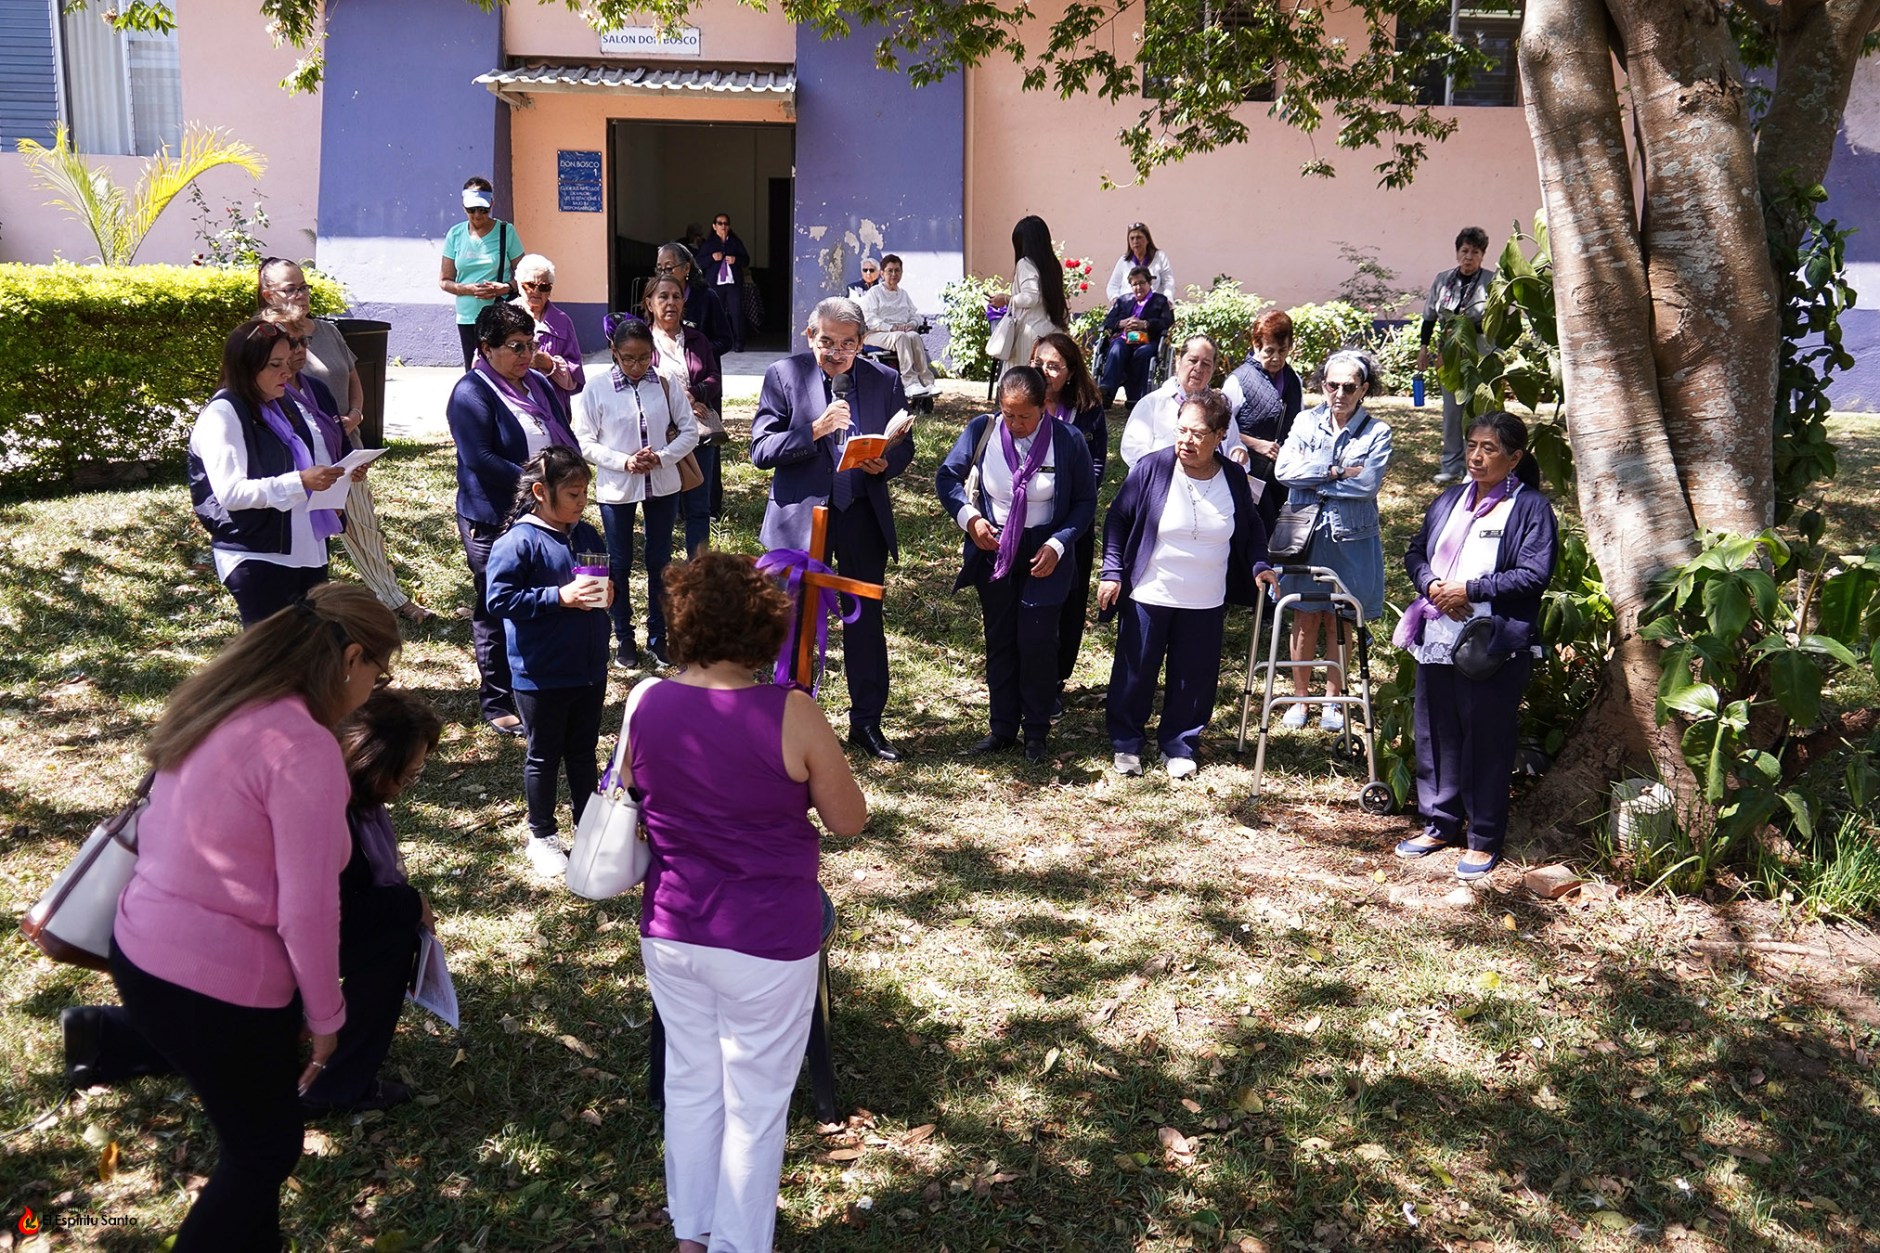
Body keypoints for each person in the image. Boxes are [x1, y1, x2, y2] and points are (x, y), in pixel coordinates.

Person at [107, 584, 400, 1250]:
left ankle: (103, 1039)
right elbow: (308, 908)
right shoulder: (304, 747)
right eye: (379, 673)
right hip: (218, 984)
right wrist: (326, 1017)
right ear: (352, 657)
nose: (373, 691)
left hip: (140, 947)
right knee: (264, 1150)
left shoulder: (225, 701)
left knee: (251, 1141)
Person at [631, 551, 867, 1253]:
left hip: (672, 929)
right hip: (767, 938)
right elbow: (849, 818)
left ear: (683, 622)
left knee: (692, 1083)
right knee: (756, 1106)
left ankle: (693, 1234)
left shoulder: (646, 703)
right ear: (766, 627)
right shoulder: (792, 712)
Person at [63, 686, 445, 1114]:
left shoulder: (286, 765)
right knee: (393, 932)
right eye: (406, 774)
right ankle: (334, 1085)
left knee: (247, 1036)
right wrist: (407, 905)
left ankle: (108, 1036)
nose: (407, 785)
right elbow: (325, 916)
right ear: (371, 763)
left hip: (191, 931)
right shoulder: (327, 812)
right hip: (246, 944)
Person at [750, 297, 916, 761]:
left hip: (860, 512)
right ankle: (786, 718)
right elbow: (760, 450)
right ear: (810, 337)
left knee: (865, 620)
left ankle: (867, 722)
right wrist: (814, 431)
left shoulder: (884, 380)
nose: (837, 353)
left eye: (847, 344)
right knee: (792, 619)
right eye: (827, 342)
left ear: (862, 342)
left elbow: (906, 446)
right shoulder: (784, 375)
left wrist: (887, 462)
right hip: (802, 519)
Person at [1394, 412, 1558, 880]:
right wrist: (1432, 586)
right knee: (1436, 731)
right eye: (1471, 446)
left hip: (1492, 643)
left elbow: (1533, 574)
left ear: (1515, 457)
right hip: (1438, 635)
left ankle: (1483, 837)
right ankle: (1439, 823)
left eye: (1489, 448)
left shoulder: (1529, 508)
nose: (1477, 456)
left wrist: (1470, 589)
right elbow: (1415, 552)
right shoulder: (1450, 500)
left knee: (1486, 737)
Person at [1099, 392, 1269, 779]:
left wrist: (1260, 564)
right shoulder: (1152, 468)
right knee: (1135, 671)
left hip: (1205, 598)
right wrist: (1112, 571)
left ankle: (1179, 743)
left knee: (1193, 676)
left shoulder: (1233, 477)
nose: (1186, 440)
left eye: (1198, 433)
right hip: (1150, 591)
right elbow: (1117, 519)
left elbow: (1252, 527)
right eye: (1181, 430)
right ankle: (1126, 742)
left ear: (1221, 435)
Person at [935, 366, 1097, 763]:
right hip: (996, 546)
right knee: (1002, 639)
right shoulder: (983, 430)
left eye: (1025, 415)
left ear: (1044, 406)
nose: (1016, 423)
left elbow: (1084, 502)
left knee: (1038, 640)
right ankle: (1002, 728)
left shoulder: (1068, 440)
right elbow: (947, 477)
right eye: (1009, 414)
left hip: (1046, 550)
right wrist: (970, 519)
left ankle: (1036, 732)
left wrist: (1059, 544)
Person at [258, 258, 431, 624]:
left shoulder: (328, 331)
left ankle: (393, 598)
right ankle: (294, 612)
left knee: (362, 526)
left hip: (345, 449)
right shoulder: (263, 340)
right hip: (296, 462)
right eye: (290, 289)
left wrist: (355, 414)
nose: (300, 295)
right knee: (302, 536)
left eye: (303, 287)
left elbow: (352, 376)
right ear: (268, 295)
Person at [447, 302, 580, 737]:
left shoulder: (537, 384)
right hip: (493, 517)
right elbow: (480, 458)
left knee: (540, 595)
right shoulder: (471, 392)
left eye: (530, 344)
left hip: (543, 513)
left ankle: (538, 682)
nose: (526, 355)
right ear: (486, 348)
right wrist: (540, 485)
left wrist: (566, 478)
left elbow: (563, 431)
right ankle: (497, 699)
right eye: (515, 346)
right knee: (495, 604)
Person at [188, 318, 367, 627]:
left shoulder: (276, 405)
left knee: (308, 646)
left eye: (287, 361)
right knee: (275, 652)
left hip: (305, 547)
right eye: (275, 364)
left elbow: (302, 462)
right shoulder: (223, 414)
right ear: (246, 366)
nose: (287, 371)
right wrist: (301, 482)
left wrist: (334, 482)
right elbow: (231, 493)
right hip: (258, 554)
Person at [485, 447, 612, 879]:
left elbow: (603, 580)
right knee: (543, 756)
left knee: (583, 752)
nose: (582, 502)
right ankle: (542, 836)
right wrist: (557, 597)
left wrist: (608, 595)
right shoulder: (519, 541)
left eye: (585, 493)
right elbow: (499, 599)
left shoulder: (586, 534)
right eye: (573, 494)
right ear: (541, 492)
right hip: (541, 674)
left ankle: (588, 830)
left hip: (589, 669)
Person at [1266, 349, 1395, 732]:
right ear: (1323, 385)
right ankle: (1300, 699)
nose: (1339, 394)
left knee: (1341, 620)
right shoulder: (1305, 421)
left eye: (1349, 387)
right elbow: (1284, 471)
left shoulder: (1378, 432)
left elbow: (1366, 485)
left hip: (1350, 539)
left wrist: (1314, 478)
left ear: (1363, 389)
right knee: (1304, 617)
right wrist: (1336, 471)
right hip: (1304, 535)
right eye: (1332, 385)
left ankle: (1333, 701)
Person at [572, 317, 696, 669]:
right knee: (619, 562)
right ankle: (623, 636)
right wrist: (624, 461)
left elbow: (689, 431)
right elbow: (585, 442)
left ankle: (658, 635)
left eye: (644, 358)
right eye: (628, 358)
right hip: (617, 487)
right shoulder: (597, 388)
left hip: (662, 484)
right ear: (614, 352)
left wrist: (662, 457)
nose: (637, 366)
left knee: (659, 560)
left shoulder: (665, 383)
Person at [1029, 332, 1108, 707]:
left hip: (1072, 520)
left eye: (1053, 366)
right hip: (1027, 519)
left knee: (1069, 600)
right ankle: (1027, 675)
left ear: (1071, 372)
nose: (1044, 371)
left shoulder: (1088, 410)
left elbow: (1096, 464)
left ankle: (1055, 680)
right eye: (1038, 363)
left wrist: (1070, 498)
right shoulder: (1019, 398)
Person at [641, 273, 725, 557]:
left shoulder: (697, 339)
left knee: (698, 507)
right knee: (659, 505)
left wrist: (694, 394)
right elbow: (634, 382)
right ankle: (659, 569)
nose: (670, 303)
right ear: (649, 303)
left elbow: (714, 377)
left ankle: (698, 570)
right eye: (663, 297)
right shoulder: (641, 341)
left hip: (695, 430)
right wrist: (674, 402)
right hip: (657, 434)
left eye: (676, 296)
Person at [1416, 226, 1495, 485]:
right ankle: (1451, 465)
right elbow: (1429, 317)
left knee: (1477, 412)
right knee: (1452, 412)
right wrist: (1424, 348)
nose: (1469, 257)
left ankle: (1477, 466)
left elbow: (1496, 321)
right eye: (1465, 251)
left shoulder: (1492, 281)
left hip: (1480, 354)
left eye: (1475, 252)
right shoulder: (1442, 280)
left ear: (1482, 255)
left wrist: (1466, 328)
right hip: (1448, 355)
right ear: (1457, 252)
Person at [1221, 308, 1305, 532]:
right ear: (1256, 345)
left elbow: (1301, 424)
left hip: (1286, 474)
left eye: (1282, 350)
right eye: (1269, 351)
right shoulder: (1238, 381)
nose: (1276, 358)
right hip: (1249, 474)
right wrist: (1256, 444)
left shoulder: (1294, 380)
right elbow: (1220, 429)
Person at [440, 176, 524, 371]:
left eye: (483, 209)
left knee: (501, 370)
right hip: (468, 316)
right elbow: (444, 280)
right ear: (463, 206)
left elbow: (526, 274)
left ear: (492, 204)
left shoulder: (506, 232)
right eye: (471, 210)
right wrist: (467, 289)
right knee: (474, 372)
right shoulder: (455, 234)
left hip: (499, 314)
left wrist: (505, 287)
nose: (477, 215)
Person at [1118, 334, 1219, 468]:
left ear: (1213, 369)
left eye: (1206, 364)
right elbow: (1132, 448)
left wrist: (1237, 450)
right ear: (1178, 362)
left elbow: (1232, 443)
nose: (1198, 368)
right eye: (1193, 360)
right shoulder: (1152, 403)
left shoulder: (1218, 409)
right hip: (1159, 476)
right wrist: (1168, 469)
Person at [986, 214, 1068, 376]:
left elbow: (1031, 297)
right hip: (1052, 329)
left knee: (1021, 382)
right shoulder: (1053, 265)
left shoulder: (1025, 263)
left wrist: (1006, 299)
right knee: (1046, 381)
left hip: (1030, 333)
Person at [861, 253, 938, 403]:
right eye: (890, 271)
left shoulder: (903, 294)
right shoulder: (874, 293)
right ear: (882, 273)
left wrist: (912, 324)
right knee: (901, 336)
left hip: (900, 333)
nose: (894, 274)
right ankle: (910, 383)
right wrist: (892, 327)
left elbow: (915, 315)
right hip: (877, 333)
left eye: (897, 270)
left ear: (901, 273)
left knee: (914, 336)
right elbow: (870, 319)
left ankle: (927, 382)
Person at [1097, 264, 1174, 410]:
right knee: (1117, 348)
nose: (1138, 287)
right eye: (1134, 284)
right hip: (1124, 339)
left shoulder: (1160, 301)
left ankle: (1135, 399)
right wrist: (1122, 323)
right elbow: (1108, 322)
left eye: (1142, 283)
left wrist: (1145, 324)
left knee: (1143, 353)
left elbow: (1166, 322)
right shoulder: (1123, 300)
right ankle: (1106, 393)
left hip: (1147, 340)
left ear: (1149, 283)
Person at [511, 253, 587, 394]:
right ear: (519, 286)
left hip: (552, 401)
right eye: (530, 285)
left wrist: (550, 364)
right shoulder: (504, 316)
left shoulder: (562, 321)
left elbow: (575, 380)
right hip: (513, 400)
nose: (536, 291)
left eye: (544, 287)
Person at [656, 241, 733, 359]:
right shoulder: (655, 299)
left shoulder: (707, 297)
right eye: (659, 269)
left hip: (700, 367)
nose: (663, 275)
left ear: (686, 268)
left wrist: (696, 352)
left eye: (669, 268)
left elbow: (725, 341)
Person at [705, 212, 751, 353]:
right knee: (715, 312)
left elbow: (746, 260)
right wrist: (712, 258)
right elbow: (699, 262)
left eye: (725, 223)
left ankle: (739, 343)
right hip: (715, 284)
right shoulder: (708, 244)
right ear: (714, 226)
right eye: (720, 223)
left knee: (736, 312)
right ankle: (714, 341)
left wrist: (736, 260)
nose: (723, 226)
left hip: (733, 284)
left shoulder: (735, 242)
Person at [1103, 221, 1175, 302]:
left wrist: (1167, 299)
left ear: (1147, 240)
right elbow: (1112, 286)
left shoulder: (1159, 257)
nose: (1135, 241)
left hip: (1153, 305)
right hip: (1128, 306)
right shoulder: (1124, 261)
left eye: (1139, 237)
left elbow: (1168, 281)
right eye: (1132, 238)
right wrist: (1115, 299)